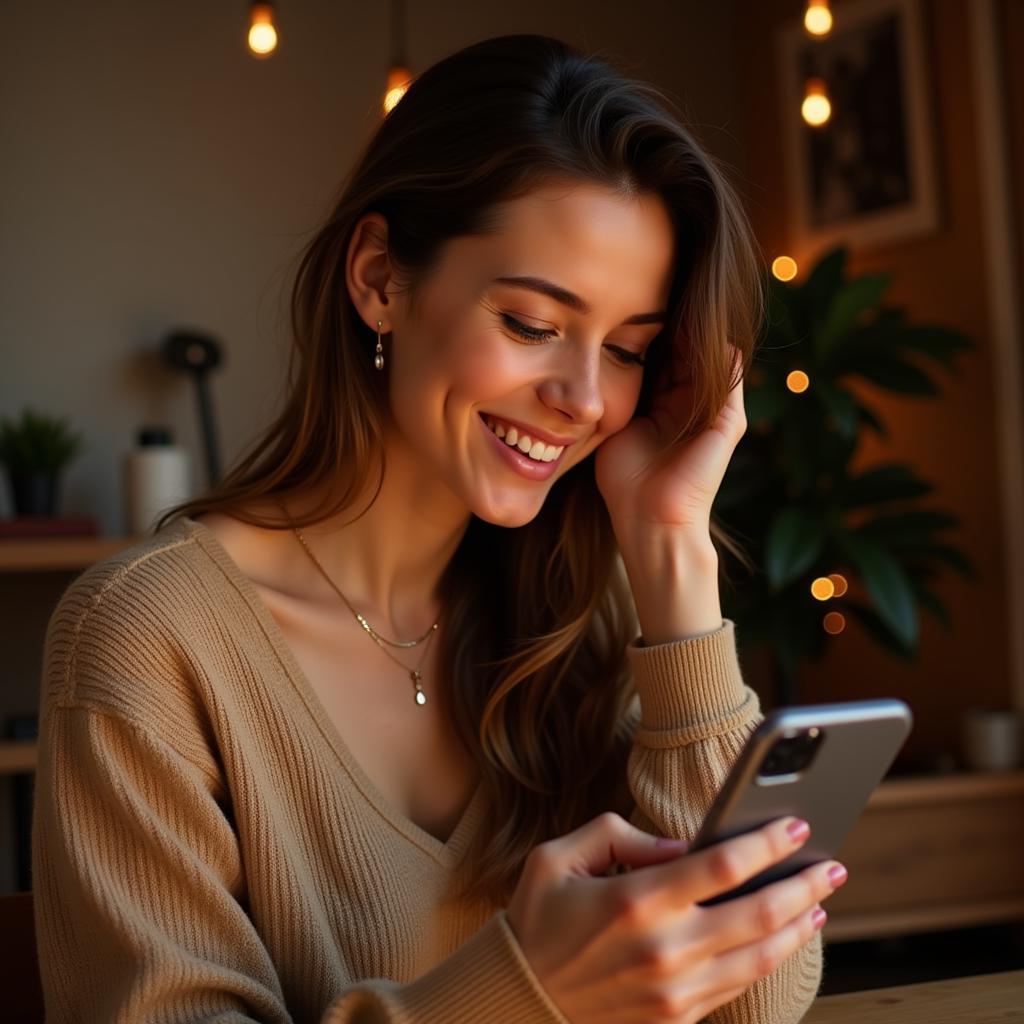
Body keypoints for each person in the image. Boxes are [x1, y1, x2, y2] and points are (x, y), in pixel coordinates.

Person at [31, 33, 842, 1024]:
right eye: (532, 325)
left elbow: (755, 1004)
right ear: (378, 277)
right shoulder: (147, 636)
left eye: (627, 350)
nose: (583, 398)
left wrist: (671, 542)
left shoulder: (586, 608)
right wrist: (525, 990)